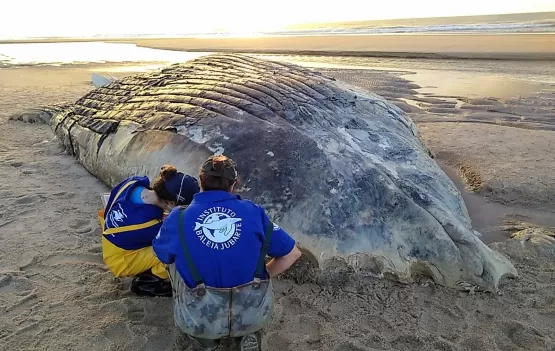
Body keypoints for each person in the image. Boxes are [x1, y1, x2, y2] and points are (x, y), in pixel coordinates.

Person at [152, 155, 302, 351]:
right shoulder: (254, 211)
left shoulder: (177, 217)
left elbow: (161, 255)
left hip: (198, 315)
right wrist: (260, 277)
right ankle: (247, 336)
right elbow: (292, 254)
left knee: (174, 256)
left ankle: (206, 342)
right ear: (233, 185)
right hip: (252, 312)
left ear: (200, 182)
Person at [97, 165, 200, 297]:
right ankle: (148, 281)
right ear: (171, 203)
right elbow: (171, 241)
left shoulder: (133, 182)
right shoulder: (150, 225)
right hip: (121, 259)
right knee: (178, 250)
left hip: (111, 231)